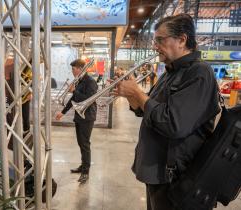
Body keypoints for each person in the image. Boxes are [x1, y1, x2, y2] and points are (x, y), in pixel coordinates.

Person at [113, 14, 220, 210]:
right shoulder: (170, 72)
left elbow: (172, 124)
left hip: (176, 177)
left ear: (182, 39)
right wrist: (132, 97)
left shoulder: (199, 73)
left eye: (160, 40)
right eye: (155, 40)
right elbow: (149, 110)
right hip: (158, 172)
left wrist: (138, 92)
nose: (155, 46)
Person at [55, 59, 98, 184]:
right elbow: (74, 99)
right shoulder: (79, 80)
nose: (72, 71)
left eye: (73, 69)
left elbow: (88, 100)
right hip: (79, 116)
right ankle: (83, 166)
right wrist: (62, 112)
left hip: (87, 116)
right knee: (81, 143)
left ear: (80, 68)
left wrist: (74, 90)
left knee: (85, 144)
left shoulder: (90, 82)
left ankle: (86, 172)